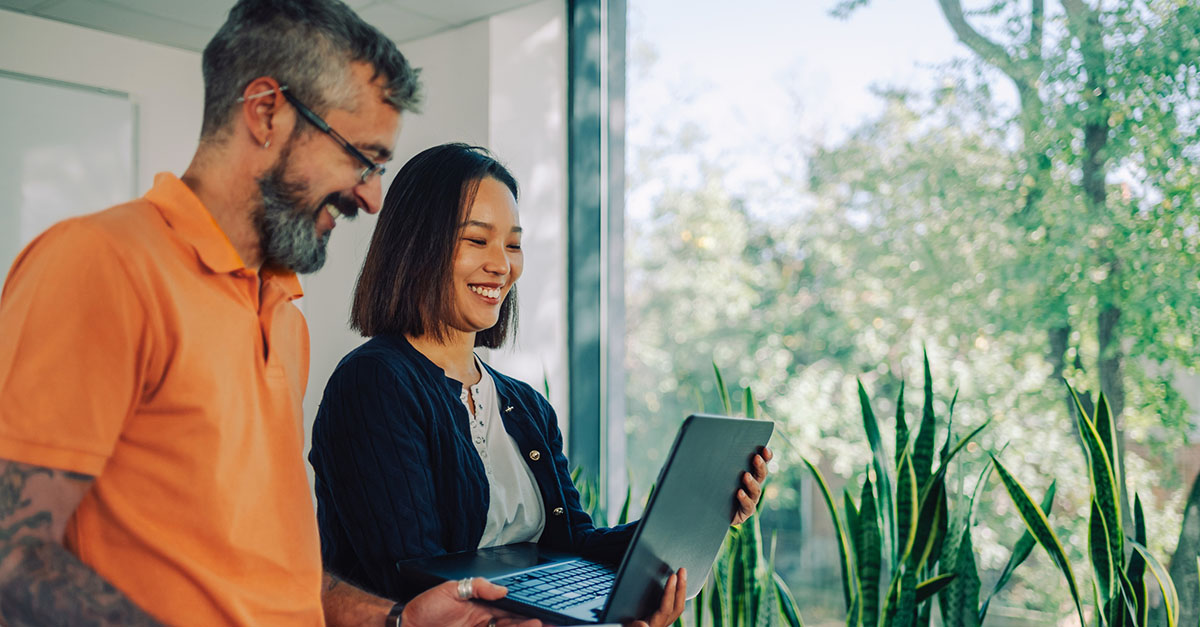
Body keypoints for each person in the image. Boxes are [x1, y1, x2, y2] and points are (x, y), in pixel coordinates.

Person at [0, 2, 538, 625]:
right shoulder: (102, 263)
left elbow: (274, 574)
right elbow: (13, 555)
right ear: (265, 113)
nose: (370, 195)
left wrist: (397, 621)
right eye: (360, 159)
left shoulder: (285, 320)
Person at [308, 143, 774, 626]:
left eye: (512, 244)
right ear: (417, 244)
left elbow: (571, 549)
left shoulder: (525, 405)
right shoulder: (375, 382)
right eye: (477, 240)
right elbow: (412, 579)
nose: (501, 265)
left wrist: (692, 521)